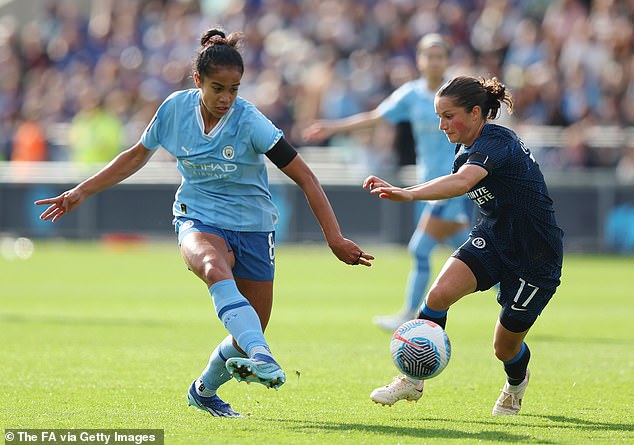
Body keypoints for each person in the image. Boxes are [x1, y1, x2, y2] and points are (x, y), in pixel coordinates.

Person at [35, 28, 374, 418]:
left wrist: (333, 238)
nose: (227, 98)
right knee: (214, 268)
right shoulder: (174, 111)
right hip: (197, 216)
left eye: (235, 89)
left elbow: (305, 177)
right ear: (198, 81)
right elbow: (134, 156)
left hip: (253, 227)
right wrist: (81, 191)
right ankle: (265, 357)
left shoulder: (251, 121)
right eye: (218, 88)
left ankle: (204, 390)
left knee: (247, 332)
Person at [363, 76, 563, 416]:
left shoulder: (498, 141)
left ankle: (516, 384)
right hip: (493, 239)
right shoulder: (465, 149)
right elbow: (461, 180)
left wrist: (407, 192)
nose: (441, 125)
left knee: (504, 348)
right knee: (437, 296)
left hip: (536, 255)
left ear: (475, 112)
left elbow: (462, 182)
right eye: (438, 116)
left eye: (448, 115)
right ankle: (412, 380)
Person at [303, 34, 472, 332]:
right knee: (470, 252)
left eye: (439, 56)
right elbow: (376, 117)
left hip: (452, 184)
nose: (433, 62)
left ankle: (410, 313)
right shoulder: (412, 95)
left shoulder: (458, 94)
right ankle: (509, 293)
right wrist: (334, 127)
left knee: (420, 249)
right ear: (419, 60)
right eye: (428, 56)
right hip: (425, 188)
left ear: (447, 60)